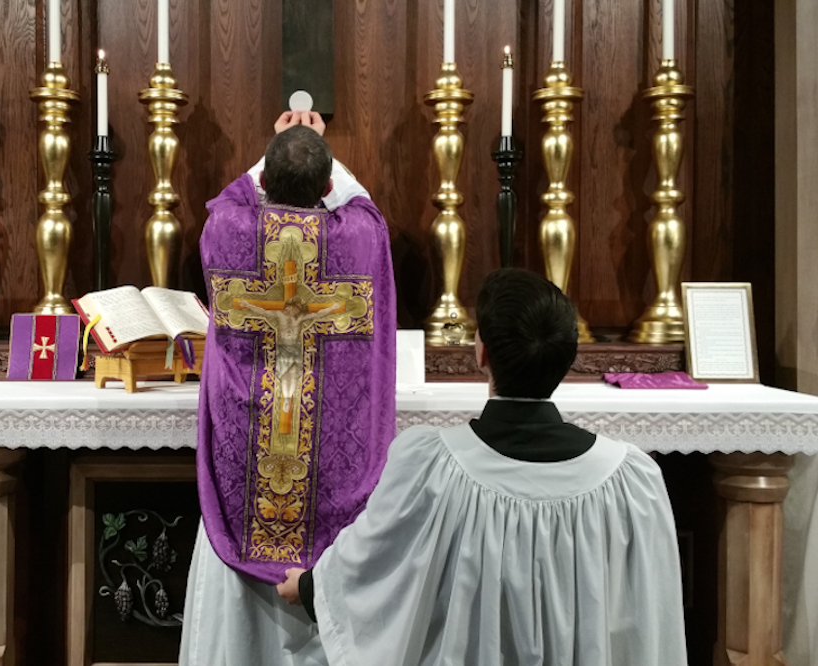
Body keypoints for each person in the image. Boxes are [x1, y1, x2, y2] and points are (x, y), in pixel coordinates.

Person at [277, 268, 688, 666]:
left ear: (482, 353)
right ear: (567, 359)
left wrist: (312, 587)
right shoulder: (632, 481)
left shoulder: (429, 468)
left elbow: (374, 555)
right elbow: (650, 618)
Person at [180, 111, 396, 666]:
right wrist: (319, 150)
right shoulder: (361, 241)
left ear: (266, 183)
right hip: (323, 455)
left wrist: (274, 148)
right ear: (327, 185)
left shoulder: (227, 231)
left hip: (254, 444)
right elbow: (364, 205)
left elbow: (232, 195)